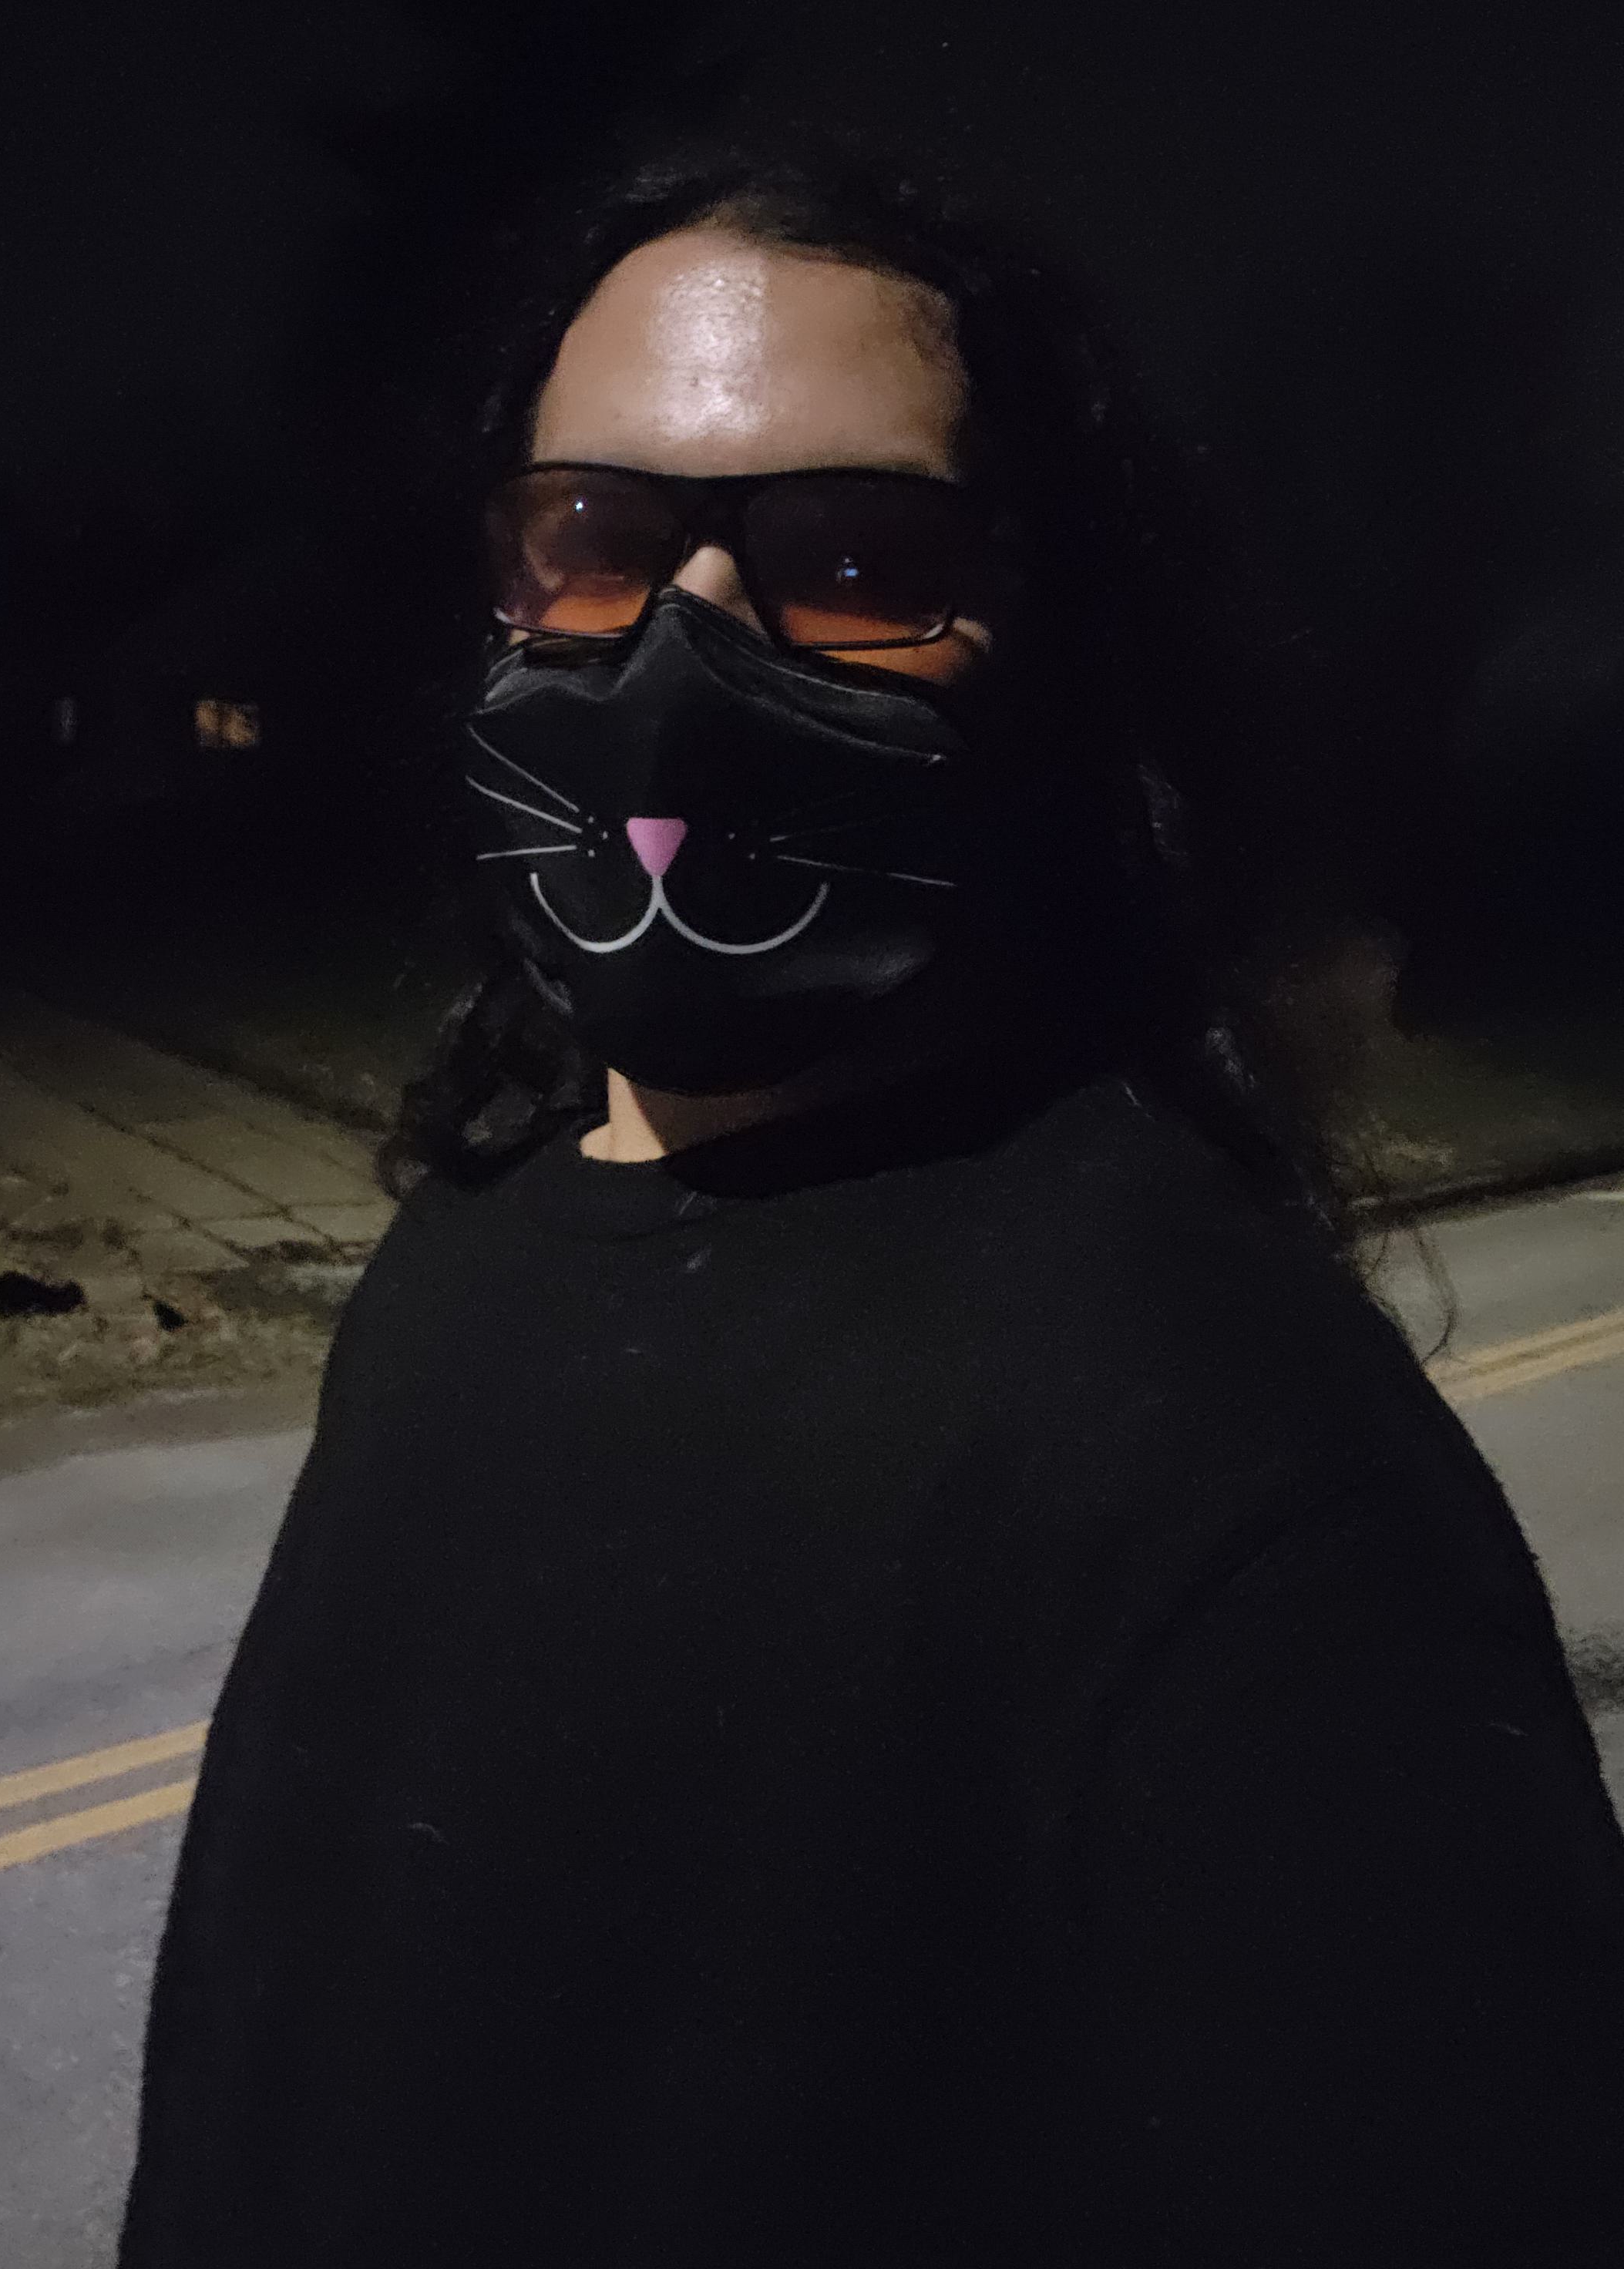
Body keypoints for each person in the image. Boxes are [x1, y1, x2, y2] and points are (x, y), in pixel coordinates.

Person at [117, 147, 1624, 2267]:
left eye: (851, 559)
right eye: (594, 540)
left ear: (1058, 654)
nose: (687, 644)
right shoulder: (472, 1246)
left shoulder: (1221, 1457)